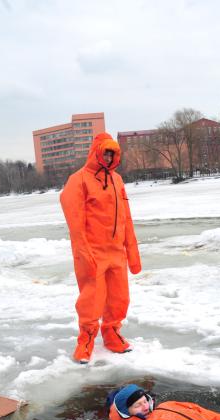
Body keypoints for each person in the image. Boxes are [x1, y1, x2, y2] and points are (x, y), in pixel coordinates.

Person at [60, 133, 141, 364]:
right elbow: (75, 221)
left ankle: (112, 333)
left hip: (116, 252)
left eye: (112, 153)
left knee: (119, 297)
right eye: (105, 152)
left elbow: (126, 218)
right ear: (96, 152)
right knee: (92, 299)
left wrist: (132, 252)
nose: (108, 157)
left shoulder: (117, 180)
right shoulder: (79, 179)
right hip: (93, 251)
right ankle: (85, 339)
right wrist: (84, 252)